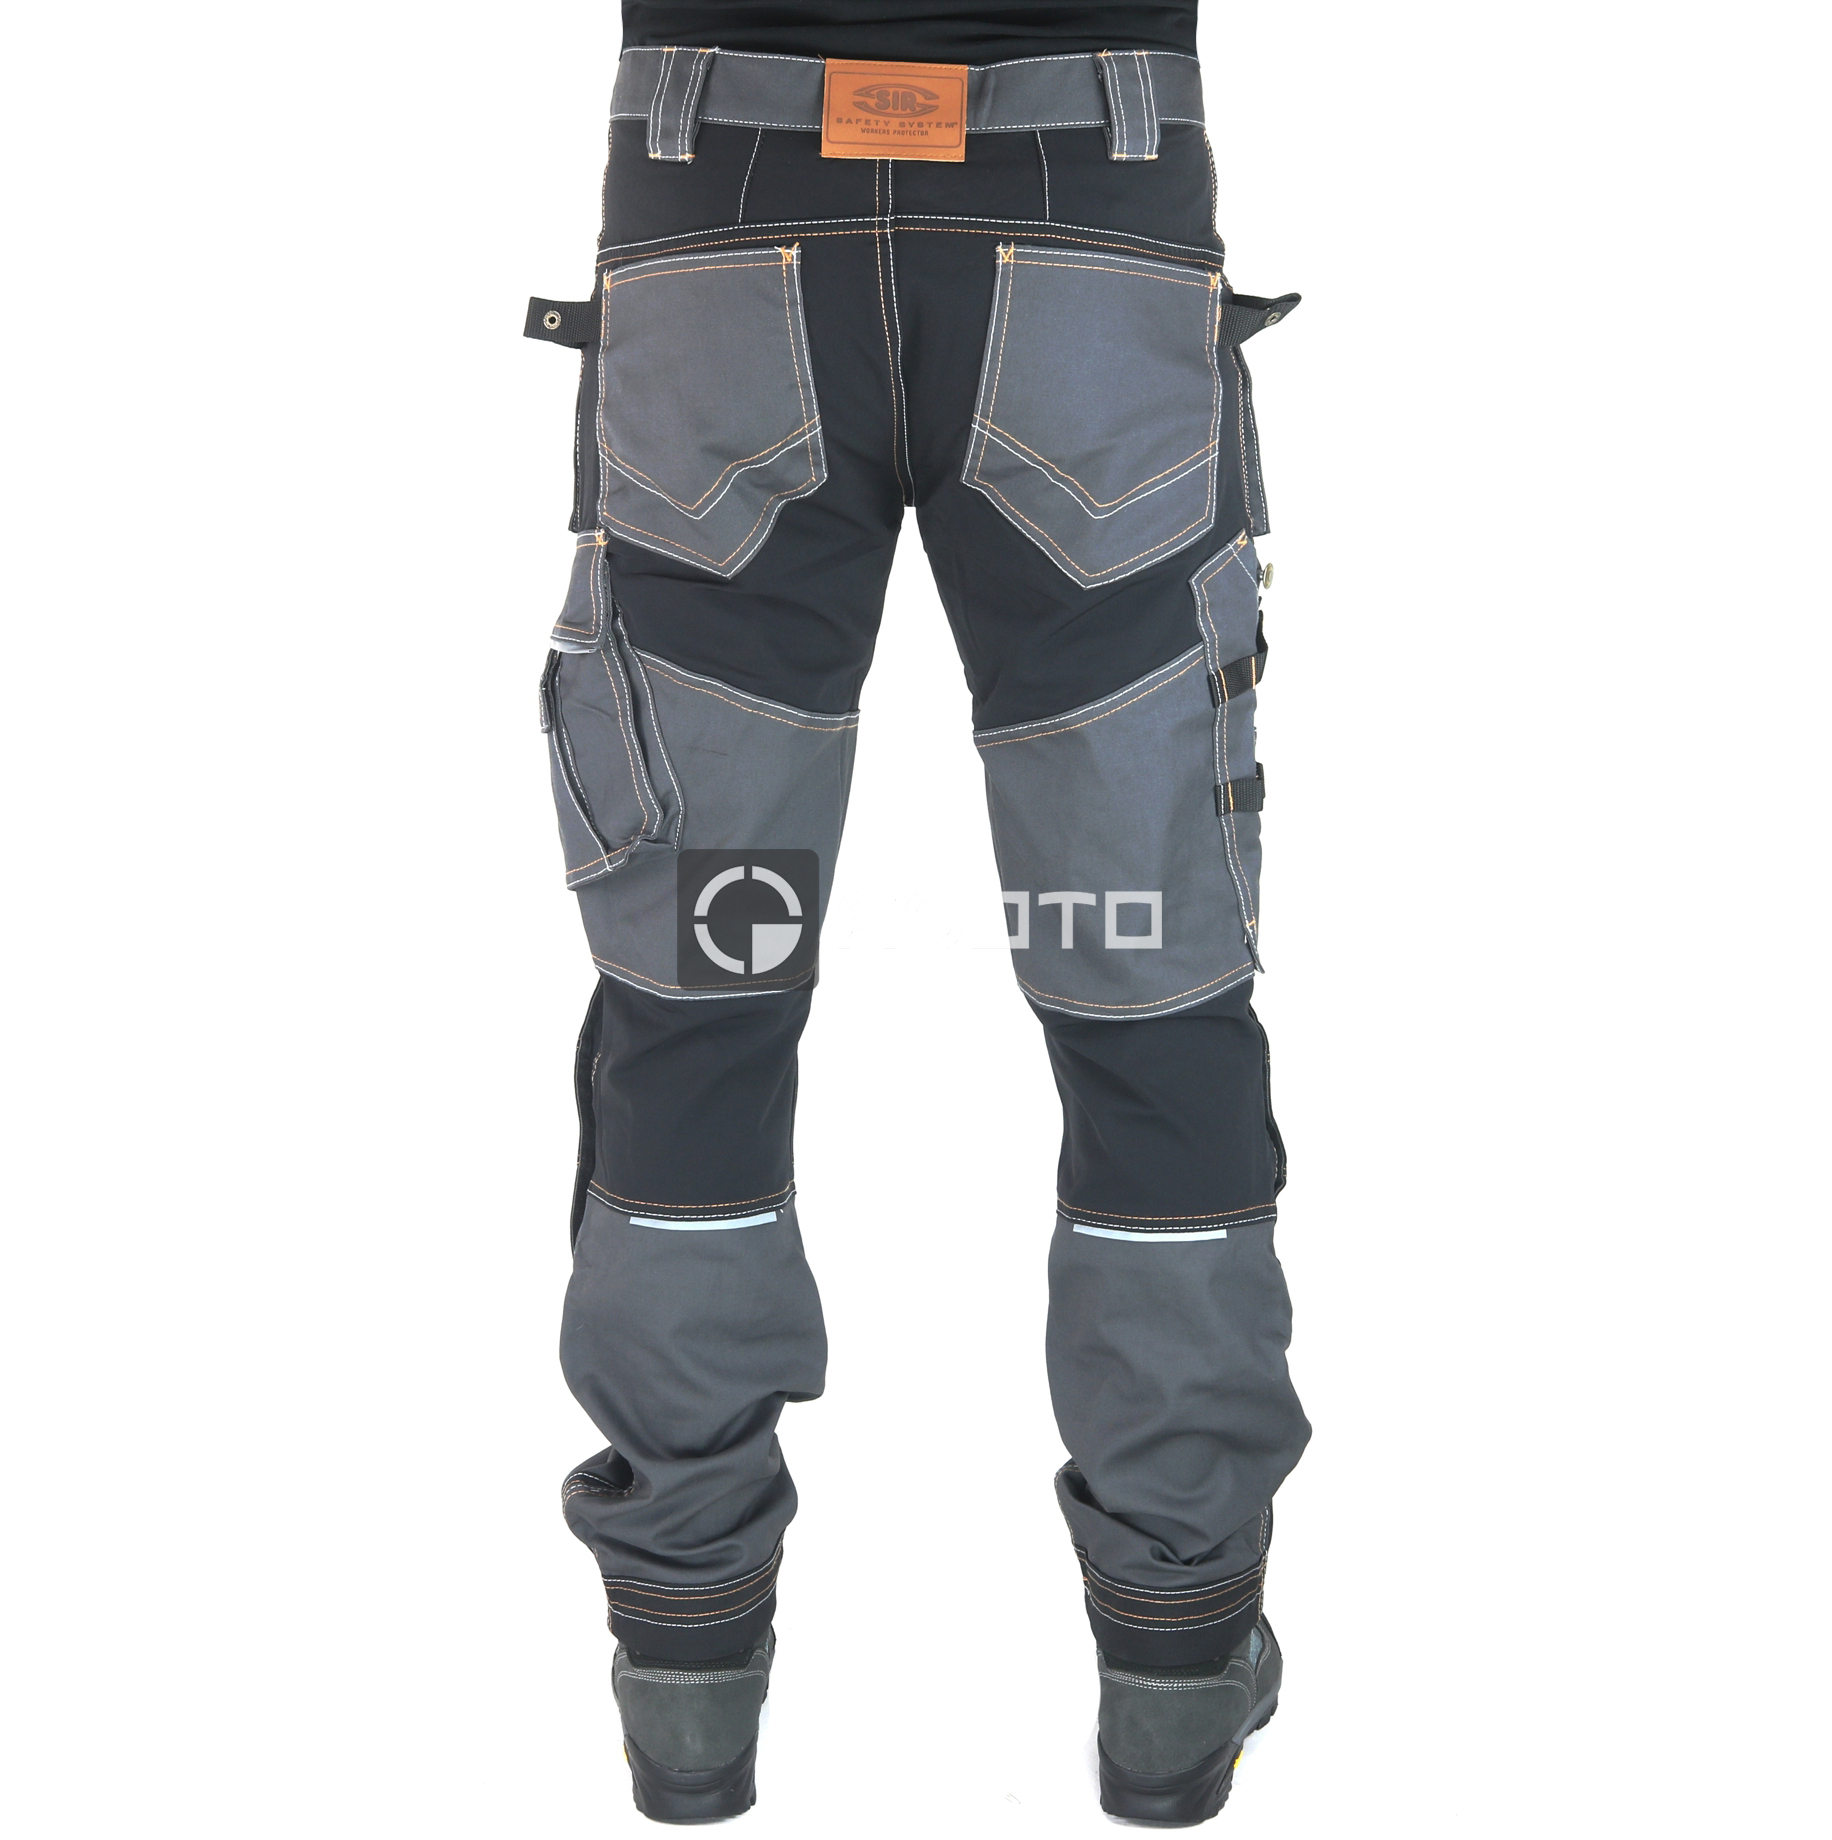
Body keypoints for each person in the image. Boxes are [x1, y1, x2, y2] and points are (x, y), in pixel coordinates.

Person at [525, 3, 1309, 1823]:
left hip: (722, 230)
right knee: (1139, 986)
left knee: (703, 993)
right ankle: (1175, 1649)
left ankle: (687, 1647)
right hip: (1082, 225)